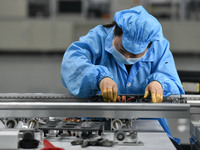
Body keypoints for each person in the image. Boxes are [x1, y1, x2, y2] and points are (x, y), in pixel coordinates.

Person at [61, 6, 184, 145]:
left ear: (149, 46)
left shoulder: (158, 46)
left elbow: (174, 84)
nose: (126, 57)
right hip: (97, 124)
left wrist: (159, 83)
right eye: (122, 49)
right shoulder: (97, 37)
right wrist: (98, 78)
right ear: (115, 32)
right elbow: (71, 63)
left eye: (134, 55)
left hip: (147, 125)